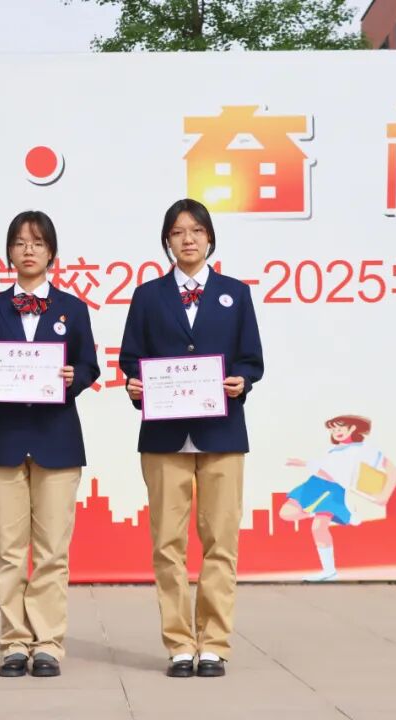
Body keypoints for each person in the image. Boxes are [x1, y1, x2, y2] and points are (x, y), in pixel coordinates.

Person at [118, 198, 264, 678]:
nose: (188, 239)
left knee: (221, 541)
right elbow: (131, 358)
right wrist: (136, 384)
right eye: (178, 232)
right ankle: (180, 643)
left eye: (197, 230)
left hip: (222, 433)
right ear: (167, 241)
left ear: (210, 238)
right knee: (167, 544)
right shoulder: (148, 296)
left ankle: (214, 644)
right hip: (164, 436)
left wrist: (242, 381)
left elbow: (251, 359)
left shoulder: (235, 294)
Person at [0, 210, 100, 678]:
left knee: (51, 551)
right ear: (8, 252)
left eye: (38, 242)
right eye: (20, 242)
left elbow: (90, 366)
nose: (28, 250)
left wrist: (73, 376)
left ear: (52, 253)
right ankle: (13, 642)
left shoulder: (73, 308)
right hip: (1, 441)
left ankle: (47, 643)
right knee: (8, 550)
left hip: (56, 441)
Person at [280, 415, 396, 582]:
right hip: (314, 484)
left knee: (318, 528)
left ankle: (329, 572)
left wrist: (384, 495)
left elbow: (392, 470)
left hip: (332, 490)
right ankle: (344, 514)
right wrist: (306, 465)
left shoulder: (364, 449)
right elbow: (326, 470)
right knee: (286, 513)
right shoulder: (333, 450)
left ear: (352, 428)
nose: (336, 432)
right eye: (333, 429)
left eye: (340, 428)